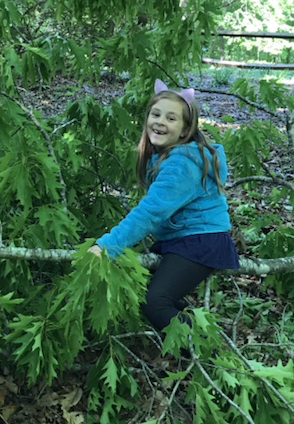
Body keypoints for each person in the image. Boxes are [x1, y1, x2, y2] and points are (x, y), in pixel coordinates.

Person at [89, 79, 240, 331]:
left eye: (171, 118)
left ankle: (206, 353)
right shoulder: (166, 156)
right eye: (155, 114)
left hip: (200, 241)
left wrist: (106, 247)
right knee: (154, 294)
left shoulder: (181, 165)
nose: (160, 121)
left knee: (155, 302)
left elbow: (149, 213)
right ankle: (198, 335)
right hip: (184, 239)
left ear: (184, 130)